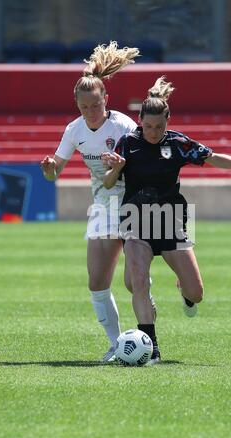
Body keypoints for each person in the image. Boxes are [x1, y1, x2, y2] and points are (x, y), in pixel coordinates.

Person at [102, 76, 231, 365]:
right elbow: (109, 184)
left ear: (167, 122)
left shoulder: (179, 143)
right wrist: (115, 169)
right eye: (148, 126)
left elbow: (213, 157)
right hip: (135, 219)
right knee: (138, 281)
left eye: (159, 126)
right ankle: (152, 348)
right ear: (140, 121)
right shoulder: (127, 143)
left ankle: (184, 292)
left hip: (171, 219)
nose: (153, 132)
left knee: (196, 292)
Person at [41, 41, 141, 362]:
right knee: (97, 281)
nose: (90, 112)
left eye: (95, 105)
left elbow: (146, 162)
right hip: (103, 206)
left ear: (105, 100)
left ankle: (148, 338)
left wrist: (122, 165)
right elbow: (55, 171)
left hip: (135, 204)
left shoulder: (124, 126)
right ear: (77, 106)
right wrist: (49, 169)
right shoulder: (74, 130)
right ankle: (116, 345)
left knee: (136, 281)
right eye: (84, 107)